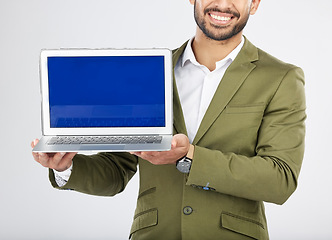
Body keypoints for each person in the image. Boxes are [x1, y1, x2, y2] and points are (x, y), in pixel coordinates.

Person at [31, 0, 306, 239]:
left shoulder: (280, 78)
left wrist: (189, 157)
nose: (222, 4)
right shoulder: (146, 75)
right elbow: (117, 170)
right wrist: (65, 167)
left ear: (254, 3)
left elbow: (279, 178)